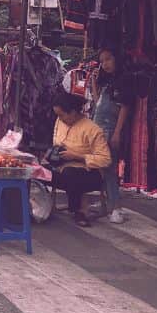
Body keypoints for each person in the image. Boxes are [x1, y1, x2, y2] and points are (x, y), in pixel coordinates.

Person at [49, 91, 112, 227]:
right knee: (36, 170)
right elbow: (56, 142)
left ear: (73, 112)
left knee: (70, 174)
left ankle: (79, 210)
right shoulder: (60, 121)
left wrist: (78, 156)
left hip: (89, 174)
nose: (59, 118)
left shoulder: (92, 129)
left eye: (61, 115)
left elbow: (105, 159)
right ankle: (36, 206)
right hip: (62, 167)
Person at [90, 48, 129, 223]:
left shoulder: (123, 81)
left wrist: (117, 133)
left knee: (110, 169)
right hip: (98, 129)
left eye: (108, 59)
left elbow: (124, 108)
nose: (105, 64)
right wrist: (93, 85)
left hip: (110, 129)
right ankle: (105, 202)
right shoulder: (106, 82)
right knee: (102, 169)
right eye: (102, 61)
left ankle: (116, 208)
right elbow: (98, 103)